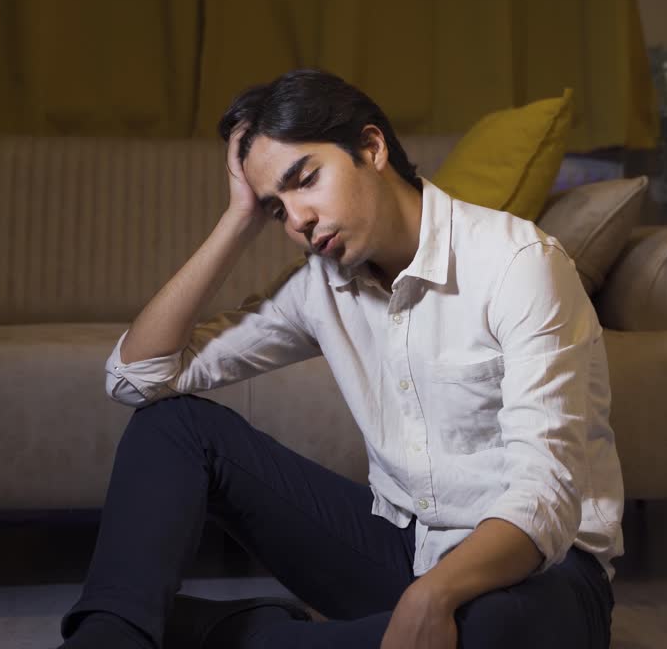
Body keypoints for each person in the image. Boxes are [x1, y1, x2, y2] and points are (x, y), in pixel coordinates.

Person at [57, 69, 623, 649]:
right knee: (173, 426)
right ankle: (110, 638)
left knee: (492, 632)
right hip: (406, 556)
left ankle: (220, 634)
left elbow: (545, 500)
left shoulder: (518, 264)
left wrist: (434, 596)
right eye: (277, 209)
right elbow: (137, 377)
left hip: (541, 574)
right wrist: (237, 221)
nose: (296, 220)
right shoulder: (321, 287)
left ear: (371, 148)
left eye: (305, 180)